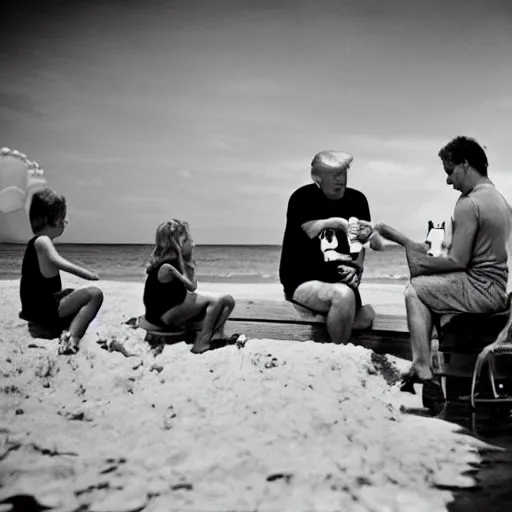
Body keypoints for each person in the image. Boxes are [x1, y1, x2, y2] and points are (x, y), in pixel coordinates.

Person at [371, 136, 512, 398]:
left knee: (415, 289)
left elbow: (457, 261)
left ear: (465, 164)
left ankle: (423, 367)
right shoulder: (501, 201)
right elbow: (471, 257)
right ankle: (429, 369)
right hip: (498, 292)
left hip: (479, 290)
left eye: (449, 172)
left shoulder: (468, 203)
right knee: (430, 289)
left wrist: (418, 260)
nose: (448, 181)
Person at [279, 150, 383, 345]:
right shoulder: (303, 197)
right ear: (318, 178)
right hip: (301, 282)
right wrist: (340, 223)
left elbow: (361, 244)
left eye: (343, 173)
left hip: (342, 283)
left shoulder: (357, 199)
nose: (340, 180)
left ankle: (326, 320)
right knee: (342, 297)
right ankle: (338, 354)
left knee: (366, 314)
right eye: (334, 175)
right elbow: (311, 229)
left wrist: (357, 267)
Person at [19, 188, 104, 355]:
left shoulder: (34, 243)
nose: (65, 223)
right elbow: (59, 262)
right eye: (62, 219)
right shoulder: (43, 241)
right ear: (49, 220)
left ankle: (64, 329)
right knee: (95, 294)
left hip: (35, 309)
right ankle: (72, 339)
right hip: (43, 312)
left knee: (71, 293)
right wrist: (87, 274)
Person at [143, 219, 236, 354]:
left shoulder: (172, 262)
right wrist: (188, 263)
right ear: (175, 244)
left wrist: (188, 260)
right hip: (163, 316)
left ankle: (215, 336)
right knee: (219, 301)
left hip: (165, 312)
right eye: (187, 240)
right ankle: (202, 342)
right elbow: (192, 287)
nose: (193, 244)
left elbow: (190, 290)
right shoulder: (167, 266)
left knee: (227, 302)